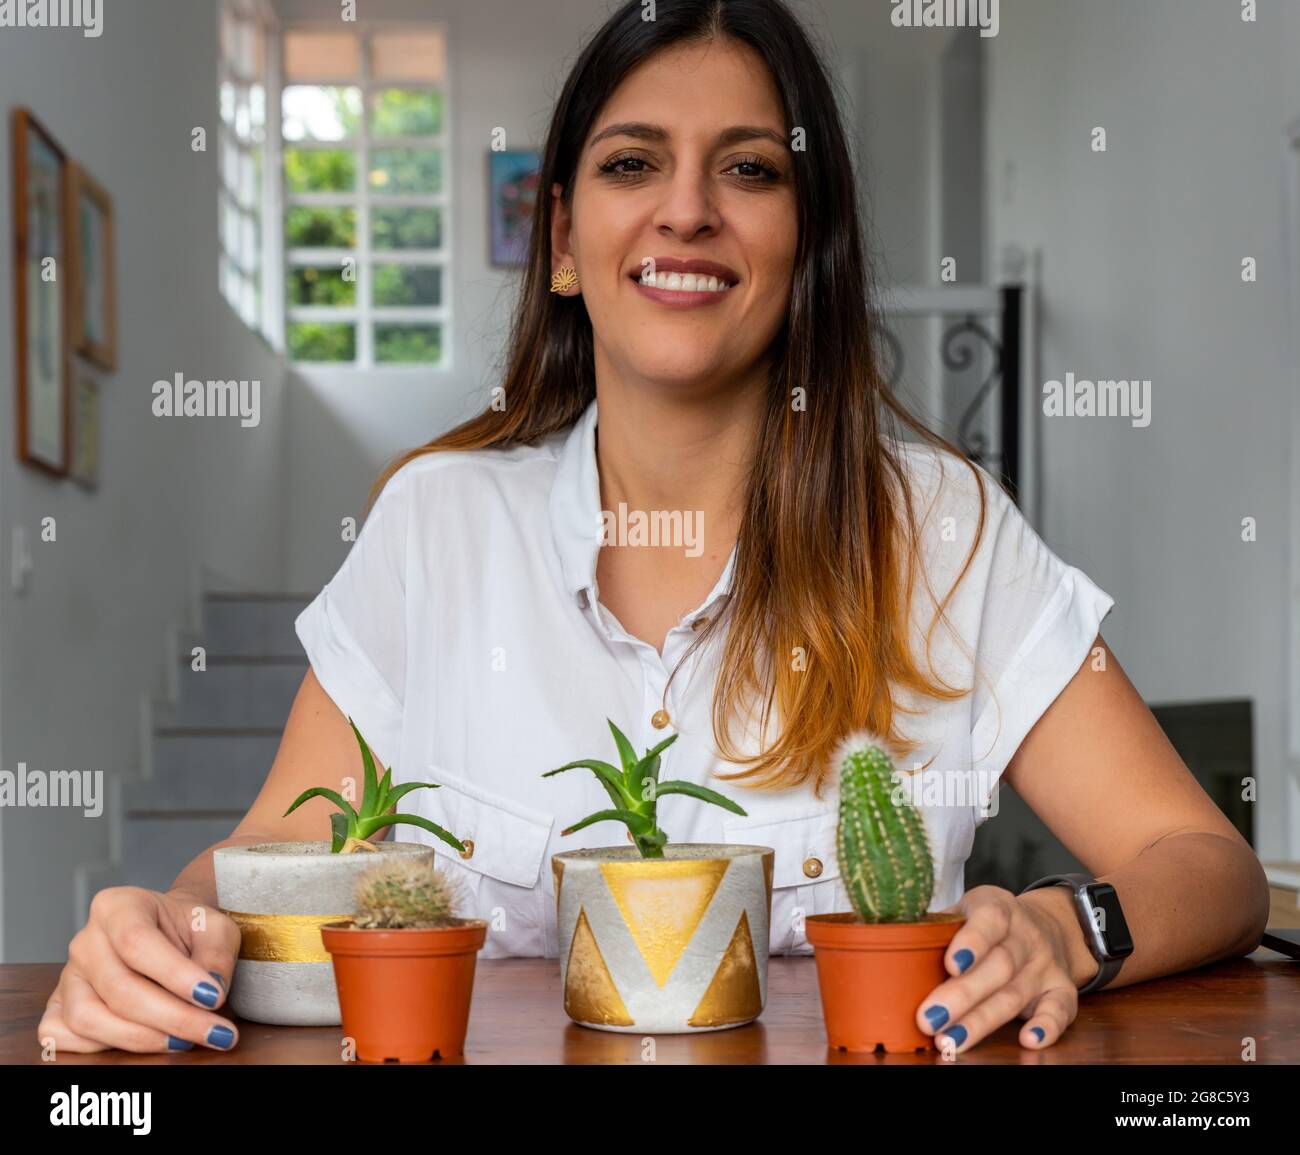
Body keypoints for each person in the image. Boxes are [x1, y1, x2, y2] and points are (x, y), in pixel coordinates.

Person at [40, 0, 1267, 1057]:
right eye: (633, 164)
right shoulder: (437, 522)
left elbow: (1204, 864)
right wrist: (154, 928)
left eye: (747, 169)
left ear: (807, 245)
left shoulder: (944, 529)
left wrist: (1068, 926)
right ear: (564, 242)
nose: (687, 210)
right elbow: (266, 865)